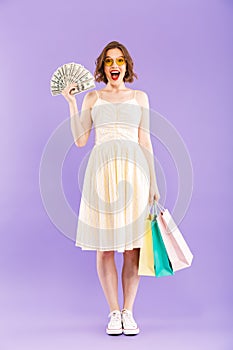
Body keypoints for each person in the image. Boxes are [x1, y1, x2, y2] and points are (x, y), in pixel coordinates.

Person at [61, 40, 160, 336]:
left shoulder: (140, 97)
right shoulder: (93, 98)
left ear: (127, 65)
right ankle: (113, 312)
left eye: (119, 61)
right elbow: (81, 141)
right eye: (108, 61)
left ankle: (129, 312)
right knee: (105, 249)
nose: (114, 66)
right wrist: (71, 103)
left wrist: (153, 183)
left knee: (132, 248)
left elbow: (146, 141)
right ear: (102, 68)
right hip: (101, 175)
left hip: (135, 174)